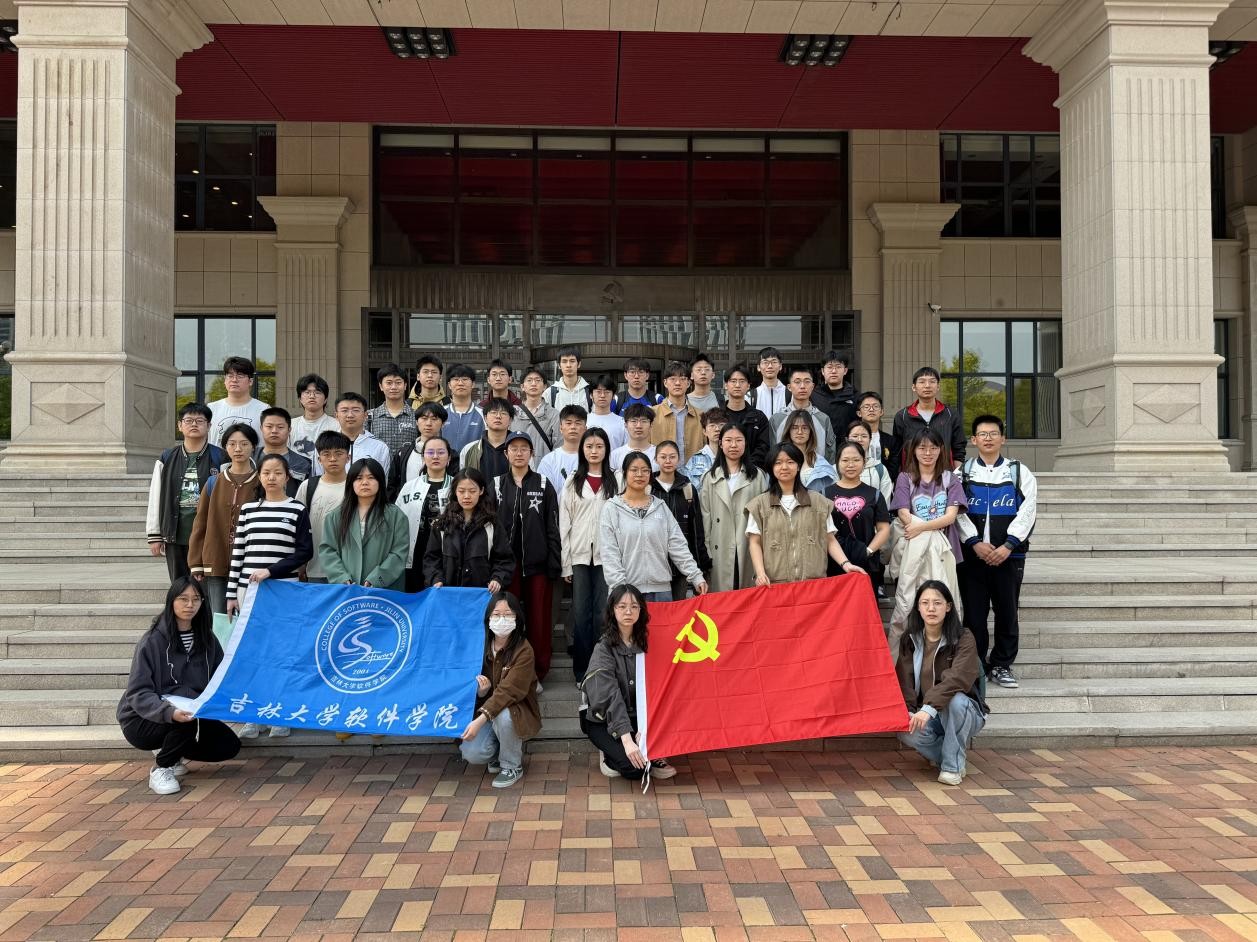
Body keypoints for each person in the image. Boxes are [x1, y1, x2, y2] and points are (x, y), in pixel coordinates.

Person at [117, 578, 241, 796]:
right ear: (171, 602)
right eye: (183, 599)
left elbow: (221, 679)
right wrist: (169, 712)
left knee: (228, 746)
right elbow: (138, 692)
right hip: (143, 719)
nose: (190, 605)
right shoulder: (152, 641)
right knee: (185, 725)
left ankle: (173, 751)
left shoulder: (207, 640)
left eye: (196, 599)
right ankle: (162, 768)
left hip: (189, 712)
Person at [227, 454, 313, 739]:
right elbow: (238, 554)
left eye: (277, 472)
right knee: (253, 654)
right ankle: (254, 716)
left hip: (284, 591)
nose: (271, 477)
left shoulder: (297, 509)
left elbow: (305, 552)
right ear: (260, 477)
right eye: (266, 472)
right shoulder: (248, 510)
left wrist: (271, 571)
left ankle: (280, 713)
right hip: (249, 592)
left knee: (282, 653)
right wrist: (232, 593)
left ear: (287, 477)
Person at [956, 415, 1038, 690]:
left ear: (1003, 438)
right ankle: (976, 665)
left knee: (1007, 611)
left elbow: (1028, 511)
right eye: (982, 434)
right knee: (974, 614)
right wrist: (974, 542)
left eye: (993, 433)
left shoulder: (1019, 472)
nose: (988, 438)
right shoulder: (962, 474)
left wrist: (1009, 545)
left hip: (1009, 557)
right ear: (974, 440)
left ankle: (1002, 664)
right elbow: (956, 512)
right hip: (972, 557)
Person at [580, 584, 677, 781]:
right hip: (603, 718)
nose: (628, 612)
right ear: (612, 610)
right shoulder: (604, 648)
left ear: (641, 610)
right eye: (622, 606)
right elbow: (609, 697)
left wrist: (648, 727)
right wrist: (626, 739)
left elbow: (661, 686)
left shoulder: (648, 643)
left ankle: (649, 753)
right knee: (634, 769)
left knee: (642, 758)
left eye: (634, 606)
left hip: (637, 715)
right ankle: (609, 754)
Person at [896, 581, 987, 786]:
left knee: (956, 701)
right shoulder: (909, 640)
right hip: (927, 714)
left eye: (937, 603)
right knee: (904, 730)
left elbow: (957, 678)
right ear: (918, 608)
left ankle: (951, 768)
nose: (931, 608)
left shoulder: (963, 637)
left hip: (964, 712)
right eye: (925, 603)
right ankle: (952, 754)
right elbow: (904, 682)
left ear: (948, 607)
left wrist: (928, 708)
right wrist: (909, 711)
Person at [888, 427, 968, 650]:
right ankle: (905, 656)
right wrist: (922, 528)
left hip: (943, 551)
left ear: (941, 450)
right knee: (910, 604)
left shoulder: (950, 479)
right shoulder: (905, 478)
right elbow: (903, 512)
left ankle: (945, 654)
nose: (927, 453)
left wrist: (921, 527)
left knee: (943, 601)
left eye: (933, 448)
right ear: (913, 450)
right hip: (914, 552)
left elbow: (950, 517)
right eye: (922, 448)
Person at [494, 432, 561, 686]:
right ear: (506, 453)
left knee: (539, 620)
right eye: (514, 448)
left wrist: (554, 562)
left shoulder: (543, 483)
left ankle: (537, 673)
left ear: (532, 453)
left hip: (538, 564)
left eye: (524, 448)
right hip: (506, 565)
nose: (519, 453)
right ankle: (505, 670)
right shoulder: (497, 485)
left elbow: (552, 526)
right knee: (506, 618)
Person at [747, 442, 862, 586]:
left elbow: (830, 539)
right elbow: (754, 542)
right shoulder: (759, 505)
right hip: (774, 585)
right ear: (771, 467)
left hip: (813, 585)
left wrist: (846, 564)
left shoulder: (818, 501)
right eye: (778, 463)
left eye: (790, 462)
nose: (784, 467)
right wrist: (760, 573)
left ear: (798, 466)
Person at [601, 452, 708, 603]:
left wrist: (696, 576)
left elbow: (677, 545)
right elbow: (609, 553)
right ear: (624, 473)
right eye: (634, 470)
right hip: (626, 592)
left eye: (645, 470)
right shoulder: (612, 508)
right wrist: (620, 588)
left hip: (661, 591)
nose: (640, 475)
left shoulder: (660, 507)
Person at [459, 592, 541, 789]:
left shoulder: (524, 649)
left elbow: (509, 692)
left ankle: (512, 765)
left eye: (508, 614)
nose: (502, 620)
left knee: (504, 716)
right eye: (496, 614)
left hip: (515, 708)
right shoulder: (479, 646)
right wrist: (480, 692)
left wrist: (479, 721)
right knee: (472, 753)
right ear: (488, 618)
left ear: (517, 618)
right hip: (486, 710)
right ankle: (499, 751)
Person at [559, 428, 616, 681]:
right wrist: (566, 563)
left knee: (603, 613)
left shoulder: (616, 479)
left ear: (606, 449)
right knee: (581, 614)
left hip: (607, 556)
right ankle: (582, 671)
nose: (594, 451)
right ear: (582, 450)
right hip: (580, 556)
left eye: (599, 446)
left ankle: (602, 668)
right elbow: (564, 523)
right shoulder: (573, 481)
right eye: (589, 446)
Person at [146, 402, 225, 582]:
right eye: (188, 420)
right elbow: (156, 497)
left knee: (207, 586)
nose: (194, 424)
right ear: (180, 425)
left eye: (200, 420)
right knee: (179, 584)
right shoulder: (167, 457)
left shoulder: (220, 457)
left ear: (209, 425)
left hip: (208, 534)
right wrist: (154, 535)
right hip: (176, 533)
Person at [188, 423, 261, 614]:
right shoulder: (214, 482)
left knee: (250, 617)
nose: (238, 449)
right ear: (225, 447)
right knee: (220, 618)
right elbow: (200, 523)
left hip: (251, 564)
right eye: (232, 444)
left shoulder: (261, 482)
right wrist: (196, 562)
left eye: (244, 444)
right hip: (216, 560)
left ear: (253, 446)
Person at [319, 457, 410, 591]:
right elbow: (328, 551)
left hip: (385, 591)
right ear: (351, 483)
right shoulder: (335, 516)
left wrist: (377, 579)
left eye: (371, 477)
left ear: (380, 481)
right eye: (359, 478)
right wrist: (342, 578)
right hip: (347, 590)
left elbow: (399, 553)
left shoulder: (396, 515)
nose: (365, 482)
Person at [698, 424, 767, 593]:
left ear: (746, 443)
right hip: (719, 545)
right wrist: (706, 552)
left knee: (748, 596)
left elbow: (765, 516)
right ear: (720, 443)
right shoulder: (710, 477)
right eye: (728, 440)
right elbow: (705, 518)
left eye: (738, 440)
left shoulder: (757, 476)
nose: (733, 445)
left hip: (748, 544)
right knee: (722, 599)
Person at [424, 469, 514, 591]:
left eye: (472, 491)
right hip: (448, 593)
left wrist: (497, 579)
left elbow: (504, 559)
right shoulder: (442, 524)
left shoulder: (492, 524)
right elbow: (431, 559)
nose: (466, 496)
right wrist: (436, 579)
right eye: (461, 491)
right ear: (455, 492)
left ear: (481, 491)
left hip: (481, 594)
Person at [826, 439, 892, 596]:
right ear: (837, 463)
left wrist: (868, 551)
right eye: (845, 460)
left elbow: (884, 529)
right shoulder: (825, 494)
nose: (851, 465)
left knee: (865, 606)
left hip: (866, 561)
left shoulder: (874, 494)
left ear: (864, 462)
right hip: (834, 562)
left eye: (856, 460)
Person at [651, 441, 710, 601]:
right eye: (663, 457)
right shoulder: (648, 488)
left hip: (681, 566)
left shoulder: (687, 488)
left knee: (679, 608)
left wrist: (700, 564)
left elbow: (696, 530)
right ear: (656, 459)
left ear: (679, 459)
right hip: (653, 564)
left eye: (672, 457)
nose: (668, 461)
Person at [395, 435, 454, 593]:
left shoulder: (457, 487)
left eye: (441, 452)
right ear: (423, 458)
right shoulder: (410, 487)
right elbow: (397, 521)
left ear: (449, 458)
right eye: (430, 452)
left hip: (445, 552)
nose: (435, 456)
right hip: (415, 551)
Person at [296, 430, 351, 584]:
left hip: (349, 569)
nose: (333, 459)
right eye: (326, 454)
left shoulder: (356, 486)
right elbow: (298, 527)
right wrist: (300, 563)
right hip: (315, 567)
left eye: (339, 453)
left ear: (348, 457)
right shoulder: (308, 486)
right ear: (319, 459)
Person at [891, 367, 966, 472]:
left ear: (938, 386)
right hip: (912, 476)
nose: (927, 385)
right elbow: (897, 451)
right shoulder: (903, 416)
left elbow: (959, 449)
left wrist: (957, 475)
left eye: (932, 381)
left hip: (944, 474)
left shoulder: (950, 414)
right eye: (922, 382)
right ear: (914, 387)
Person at [770, 367, 837, 465]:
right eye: (797, 382)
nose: (802, 386)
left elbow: (830, 453)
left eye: (807, 382)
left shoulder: (823, 418)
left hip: (817, 471)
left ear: (812, 386)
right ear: (789, 387)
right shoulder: (777, 419)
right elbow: (772, 451)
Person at [389, 401, 454, 500]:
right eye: (424, 418)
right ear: (416, 422)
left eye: (434, 419)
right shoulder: (403, 453)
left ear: (443, 423)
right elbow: (392, 484)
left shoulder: (451, 454)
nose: (428, 423)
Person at [720, 363, 771, 471]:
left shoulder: (759, 417)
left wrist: (746, 468)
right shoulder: (717, 416)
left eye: (742, 381)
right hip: (722, 471)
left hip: (752, 472)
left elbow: (763, 447)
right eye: (733, 381)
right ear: (726, 385)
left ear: (748, 386)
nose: (737, 385)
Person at [650, 361, 703, 463]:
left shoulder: (700, 415)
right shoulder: (652, 413)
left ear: (688, 383)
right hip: (661, 470)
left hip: (693, 470)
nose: (678, 383)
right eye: (673, 379)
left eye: (682, 379)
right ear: (665, 383)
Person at [207, 356, 267, 444]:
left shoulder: (263, 409)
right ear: (225, 380)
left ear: (250, 381)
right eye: (230, 376)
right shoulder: (211, 409)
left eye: (240, 376)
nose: (234, 380)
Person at [255, 407, 312, 497]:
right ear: (261, 428)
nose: (274, 431)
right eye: (269, 427)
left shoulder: (303, 464)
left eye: (280, 427)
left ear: (289, 430)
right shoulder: (249, 458)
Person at [290, 373, 340, 474]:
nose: (312, 396)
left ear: (325, 399)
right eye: (307, 392)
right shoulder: (290, 425)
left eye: (317, 392)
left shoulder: (336, 426)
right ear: (300, 399)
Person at [367, 363, 418, 459]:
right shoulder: (369, 416)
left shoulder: (417, 415)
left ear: (405, 385)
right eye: (389, 383)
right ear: (381, 386)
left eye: (398, 383)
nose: (394, 387)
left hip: (408, 467)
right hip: (379, 467)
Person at [779, 408, 837, 492]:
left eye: (805, 428)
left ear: (810, 431)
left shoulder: (820, 462)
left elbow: (830, 491)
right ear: (789, 431)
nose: (800, 432)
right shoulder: (778, 459)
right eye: (795, 428)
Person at [510, 365, 559, 463]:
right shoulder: (513, 413)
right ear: (522, 387)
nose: (533, 384)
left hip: (544, 468)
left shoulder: (554, 414)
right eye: (529, 380)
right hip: (516, 467)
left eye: (538, 380)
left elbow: (558, 447)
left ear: (544, 386)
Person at [334, 392, 392, 474]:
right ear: (336, 415)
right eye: (344, 410)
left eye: (356, 410)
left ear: (365, 415)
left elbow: (382, 479)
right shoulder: (326, 444)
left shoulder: (379, 447)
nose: (350, 415)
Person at [538, 404, 587, 496]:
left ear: (585, 429)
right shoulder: (549, 460)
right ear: (560, 428)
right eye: (568, 423)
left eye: (578, 423)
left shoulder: (592, 459)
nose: (573, 427)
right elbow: (543, 493)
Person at [461, 398, 514, 479]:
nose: (498, 416)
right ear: (485, 418)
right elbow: (462, 480)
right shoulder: (469, 449)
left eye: (503, 413)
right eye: (494, 412)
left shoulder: (520, 450)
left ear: (510, 420)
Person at [845, 419, 893, 505]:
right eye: (855, 436)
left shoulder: (880, 469)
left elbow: (885, 503)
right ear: (847, 439)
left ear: (870, 440)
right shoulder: (837, 468)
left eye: (864, 436)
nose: (859, 439)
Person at [811, 350, 857, 437]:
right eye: (829, 367)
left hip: (846, 444)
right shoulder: (813, 395)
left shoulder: (854, 396)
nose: (833, 371)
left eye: (838, 367)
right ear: (823, 371)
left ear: (845, 371)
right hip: (820, 443)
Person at [857, 391, 901, 481]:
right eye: (866, 407)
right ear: (859, 413)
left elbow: (893, 470)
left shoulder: (891, 441)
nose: (871, 409)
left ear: (882, 412)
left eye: (875, 406)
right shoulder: (851, 439)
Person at [443, 364, 485, 455]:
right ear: (449, 385)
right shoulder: (441, 412)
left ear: (473, 384)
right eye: (456, 379)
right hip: (445, 462)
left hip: (474, 462)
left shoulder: (484, 413)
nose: (460, 383)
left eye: (465, 379)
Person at [682, 407, 726, 491]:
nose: (717, 429)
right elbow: (689, 490)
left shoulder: (733, 457)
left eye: (721, 425)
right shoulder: (694, 460)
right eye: (712, 425)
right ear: (704, 431)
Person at [609, 403, 658, 476]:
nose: (639, 426)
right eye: (634, 421)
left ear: (651, 425)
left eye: (644, 421)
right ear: (625, 424)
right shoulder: (615, 455)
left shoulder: (659, 454)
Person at [586, 374, 627, 451]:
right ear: (591, 395)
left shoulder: (622, 423)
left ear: (613, 396)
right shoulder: (584, 421)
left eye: (607, 392)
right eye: (598, 392)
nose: (602, 395)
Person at [749, 346, 788, 419]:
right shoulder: (750, 396)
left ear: (780, 366)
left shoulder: (790, 394)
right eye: (765, 362)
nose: (770, 366)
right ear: (758, 367)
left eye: (774, 362)